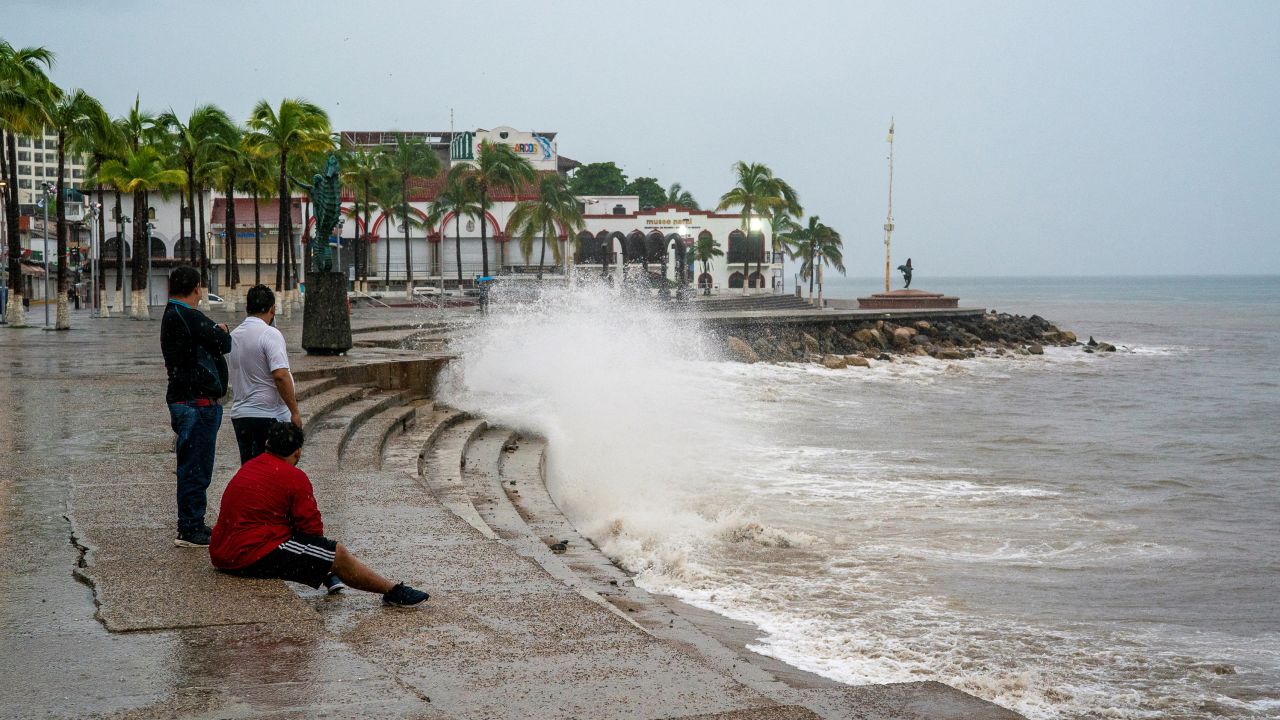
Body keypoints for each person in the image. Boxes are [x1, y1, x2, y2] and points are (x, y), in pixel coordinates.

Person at [209, 422, 429, 606]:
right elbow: (312, 532)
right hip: (247, 556)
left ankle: (329, 576)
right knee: (335, 553)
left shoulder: (250, 466)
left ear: (268, 445)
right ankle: (392, 591)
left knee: (307, 545)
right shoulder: (294, 477)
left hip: (222, 551)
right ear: (298, 452)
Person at [161, 266, 232, 548]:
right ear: (197, 289)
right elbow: (223, 342)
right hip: (195, 405)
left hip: (189, 402)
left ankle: (193, 522)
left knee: (194, 467)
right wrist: (221, 330)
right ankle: (190, 528)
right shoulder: (188, 316)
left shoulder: (174, 315)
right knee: (195, 468)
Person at [228, 284, 301, 465]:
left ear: (247, 308)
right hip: (268, 416)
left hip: (241, 416)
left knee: (251, 470)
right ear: (273, 309)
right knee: (273, 471)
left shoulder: (234, 336)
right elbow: (280, 375)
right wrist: (295, 413)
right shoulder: (270, 334)